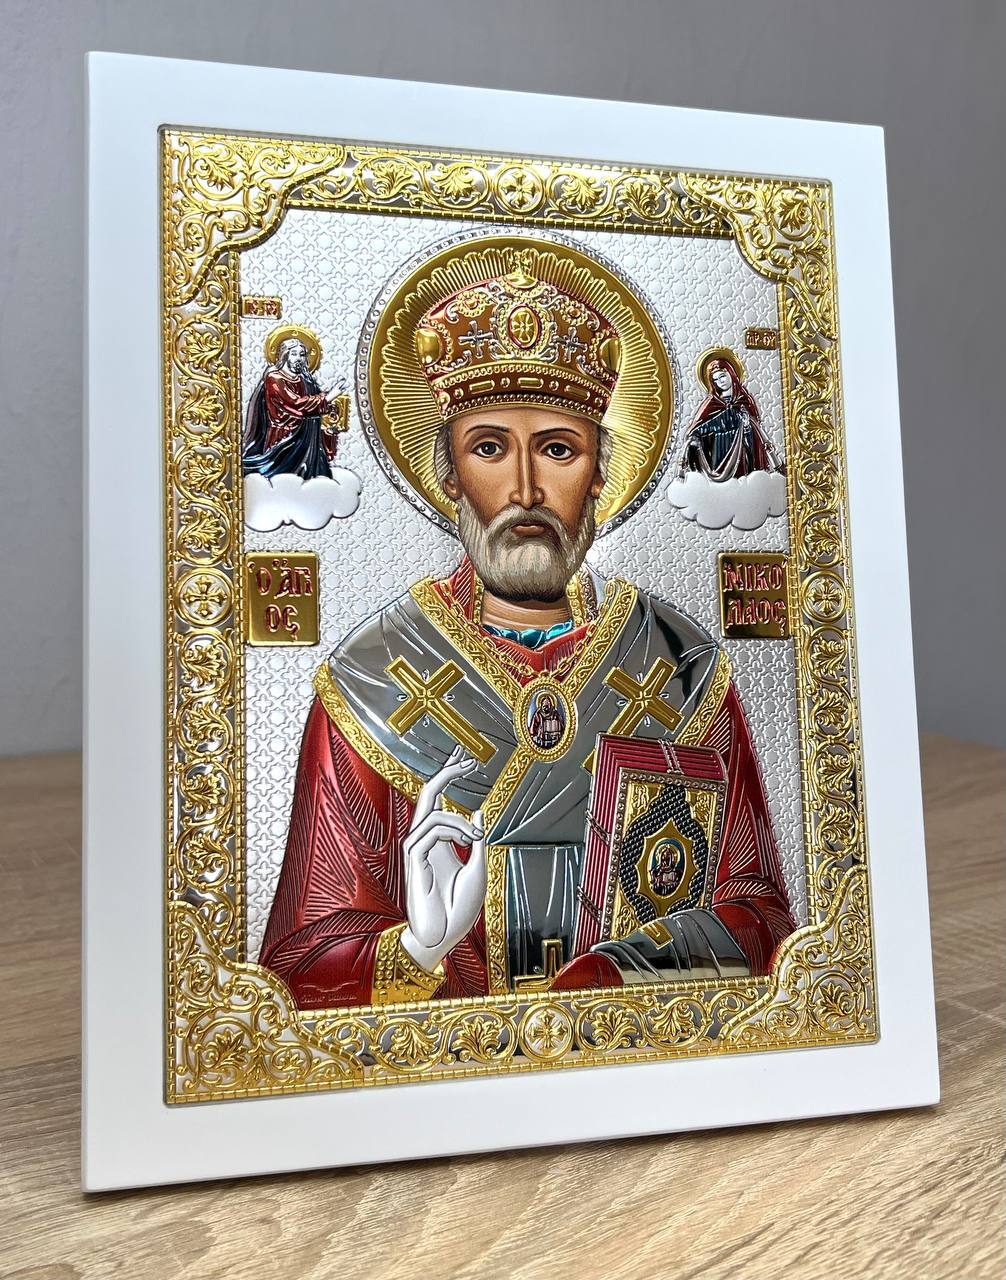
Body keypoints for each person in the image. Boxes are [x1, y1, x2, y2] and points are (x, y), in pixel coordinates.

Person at [259, 251, 795, 1007]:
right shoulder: (371, 680)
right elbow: (299, 965)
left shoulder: (681, 667)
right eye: (488, 448)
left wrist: (618, 973)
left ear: (600, 473)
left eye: (558, 449)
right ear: (447, 474)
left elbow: (765, 923)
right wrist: (417, 950)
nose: (526, 490)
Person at [242, 336, 343, 479]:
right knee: (283, 480)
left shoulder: (305, 380)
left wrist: (330, 411)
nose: (299, 359)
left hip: (306, 442)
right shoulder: (274, 379)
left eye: (302, 355)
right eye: (294, 354)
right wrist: (327, 398)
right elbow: (296, 404)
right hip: (283, 441)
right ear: (285, 355)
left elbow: (315, 405)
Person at [681, 357, 784, 480]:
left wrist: (746, 426)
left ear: (731, 373)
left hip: (741, 453)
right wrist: (695, 437)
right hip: (718, 452)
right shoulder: (711, 404)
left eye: (722, 376)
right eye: (715, 380)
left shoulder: (744, 401)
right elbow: (698, 429)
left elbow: (755, 434)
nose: (720, 382)